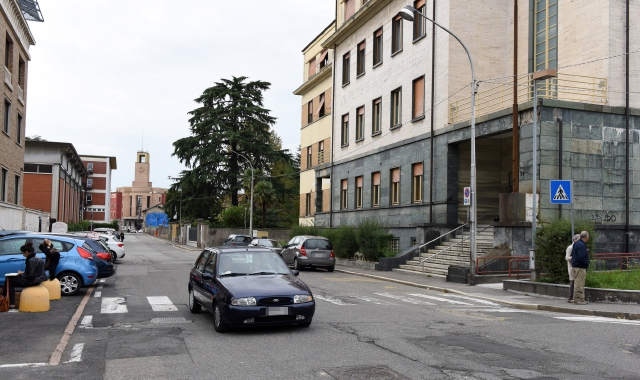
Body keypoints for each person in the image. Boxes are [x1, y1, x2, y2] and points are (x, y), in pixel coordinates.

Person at [1, 242, 47, 308]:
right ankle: (7, 299)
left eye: (23, 253)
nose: (23, 255)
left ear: (26, 252)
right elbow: (34, 272)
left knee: (10, 280)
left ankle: (8, 300)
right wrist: (23, 273)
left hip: (33, 281)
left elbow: (30, 276)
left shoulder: (31, 260)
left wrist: (20, 274)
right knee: (10, 280)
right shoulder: (38, 258)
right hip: (38, 280)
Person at [571, 231, 590, 305]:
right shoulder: (582, 245)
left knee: (579, 283)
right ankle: (578, 299)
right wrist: (586, 263)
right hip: (580, 267)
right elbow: (581, 257)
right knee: (579, 284)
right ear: (586, 237)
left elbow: (573, 254)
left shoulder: (576, 243)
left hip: (575, 265)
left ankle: (581, 299)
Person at [565, 234, 580, 303]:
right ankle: (570, 297)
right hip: (572, 267)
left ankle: (576, 297)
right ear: (575, 240)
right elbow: (567, 258)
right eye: (578, 239)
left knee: (578, 282)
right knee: (573, 282)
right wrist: (574, 257)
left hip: (578, 267)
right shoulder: (570, 247)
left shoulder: (579, 246)